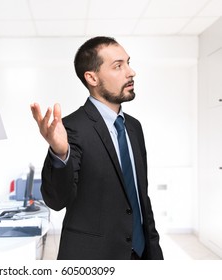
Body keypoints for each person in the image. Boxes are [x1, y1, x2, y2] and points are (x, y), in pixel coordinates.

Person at [30, 36, 163, 260]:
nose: (131, 72)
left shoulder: (133, 127)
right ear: (92, 77)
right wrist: (60, 153)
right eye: (118, 66)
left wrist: (154, 253)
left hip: (142, 255)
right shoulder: (71, 128)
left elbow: (141, 198)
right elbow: (56, 200)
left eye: (128, 63)